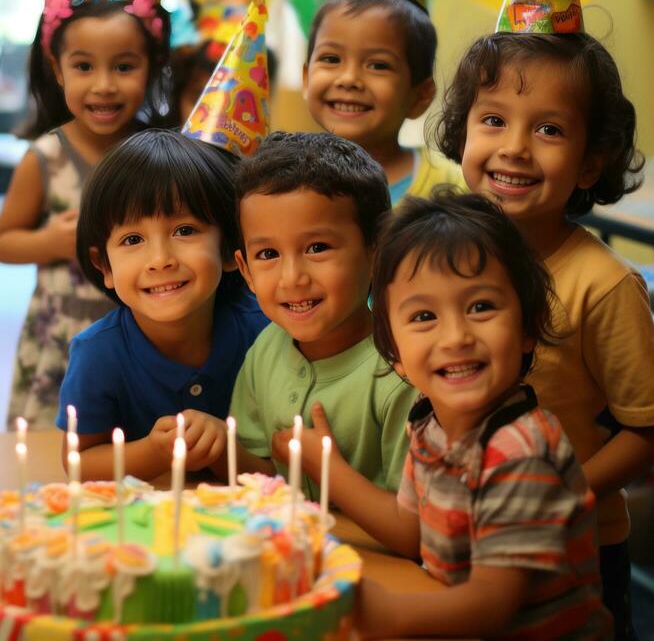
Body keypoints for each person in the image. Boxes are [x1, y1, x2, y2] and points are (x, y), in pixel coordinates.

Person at [434, 0, 654, 637]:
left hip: (571, 557)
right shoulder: (444, 256)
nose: (515, 149)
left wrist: (562, 491)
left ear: (592, 159)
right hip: (453, 542)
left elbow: (646, 432)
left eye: (550, 130)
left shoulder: (602, 285)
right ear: (463, 131)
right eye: (493, 121)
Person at [319, 190, 610, 639]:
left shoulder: (519, 453)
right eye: (423, 316)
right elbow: (409, 530)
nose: (456, 336)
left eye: (480, 307)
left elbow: (493, 604)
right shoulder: (427, 422)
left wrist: (392, 613)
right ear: (394, 353)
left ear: (528, 328)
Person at [0, 0, 172, 428]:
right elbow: (3, 240)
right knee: (63, 449)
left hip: (146, 332)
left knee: (137, 447)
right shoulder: (46, 159)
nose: (103, 85)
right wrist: (49, 243)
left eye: (123, 66)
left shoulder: (161, 156)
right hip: (65, 336)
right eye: (83, 66)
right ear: (57, 69)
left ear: (151, 66)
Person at [56, 129, 267, 481]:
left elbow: (286, 467)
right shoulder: (98, 354)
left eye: (184, 230)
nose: (160, 259)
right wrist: (154, 451)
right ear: (104, 266)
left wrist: (225, 450)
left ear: (232, 247)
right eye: (133, 239)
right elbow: (80, 463)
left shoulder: (266, 334)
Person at [225, 130, 416, 497]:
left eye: (317, 247)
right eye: (268, 255)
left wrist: (328, 472)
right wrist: (219, 445)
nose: (292, 277)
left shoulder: (403, 371)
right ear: (245, 269)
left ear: (378, 252)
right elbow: (262, 477)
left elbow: (415, 525)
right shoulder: (264, 349)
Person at [302, 0, 464, 204]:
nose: (349, 79)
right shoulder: (282, 184)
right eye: (331, 59)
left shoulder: (451, 191)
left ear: (420, 96)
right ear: (306, 77)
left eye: (378, 65)